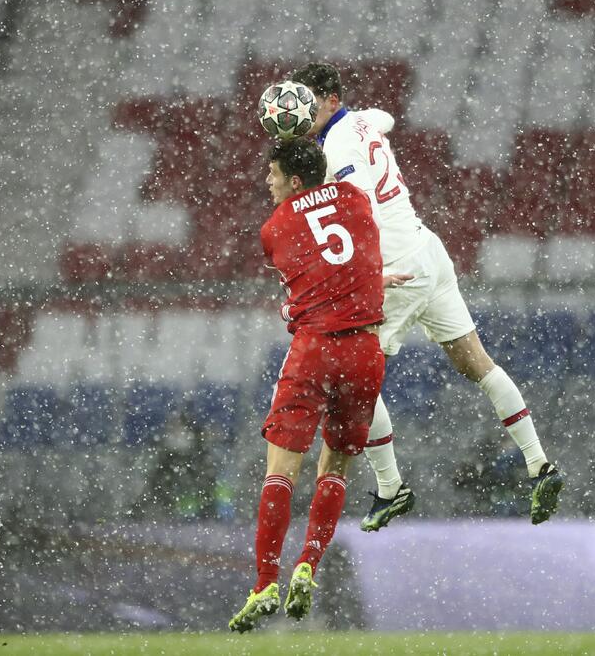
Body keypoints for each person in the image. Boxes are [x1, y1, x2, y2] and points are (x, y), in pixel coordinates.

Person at [290, 63, 564, 531]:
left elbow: (360, 206)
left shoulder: (337, 144)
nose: (301, 113)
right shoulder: (360, 123)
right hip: (430, 251)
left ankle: (391, 488)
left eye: (309, 103)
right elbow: (384, 120)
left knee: (355, 379)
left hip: (398, 268)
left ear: (332, 100)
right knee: (477, 363)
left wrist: (365, 276)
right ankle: (540, 464)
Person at [229, 138, 385, 632]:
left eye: (273, 174)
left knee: (281, 470)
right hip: (364, 351)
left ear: (295, 180)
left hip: (316, 347)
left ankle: (265, 583)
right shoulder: (356, 198)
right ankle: (308, 566)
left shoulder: (274, 228)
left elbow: (305, 283)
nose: (267, 182)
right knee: (335, 465)